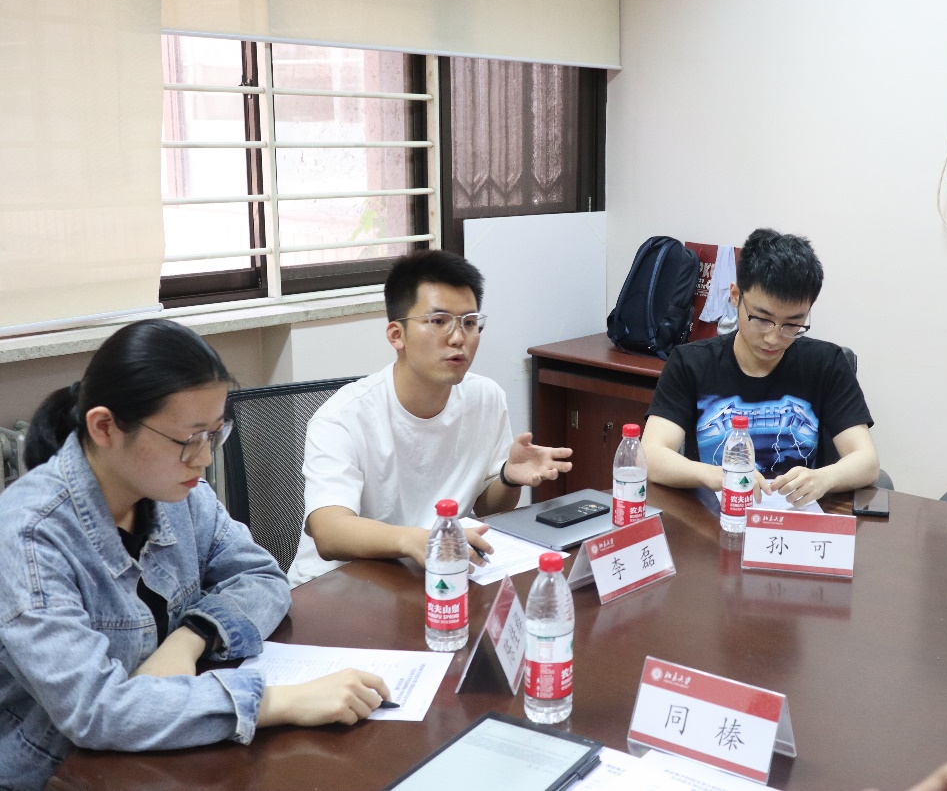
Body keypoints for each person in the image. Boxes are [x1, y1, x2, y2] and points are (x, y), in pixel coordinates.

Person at [0, 320, 390, 791]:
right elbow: (96, 710)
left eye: (214, 434)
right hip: (61, 774)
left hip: (169, 752)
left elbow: (262, 577)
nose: (204, 459)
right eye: (188, 440)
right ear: (104, 427)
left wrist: (190, 639)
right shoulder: (30, 535)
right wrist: (277, 702)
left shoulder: (177, 492)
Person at [288, 250, 573, 586]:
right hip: (337, 587)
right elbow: (329, 531)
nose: (458, 337)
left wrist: (509, 478)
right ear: (396, 335)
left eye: (469, 323)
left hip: (432, 575)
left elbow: (486, 506)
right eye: (439, 321)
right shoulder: (341, 419)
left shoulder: (486, 398)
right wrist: (415, 540)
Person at [643, 228, 879, 507]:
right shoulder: (690, 362)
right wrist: (717, 475)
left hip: (796, 518)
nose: (773, 338)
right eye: (762, 319)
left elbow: (867, 461)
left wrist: (825, 478)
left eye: (792, 324)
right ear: (735, 296)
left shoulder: (827, 363)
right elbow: (650, 456)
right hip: (717, 518)